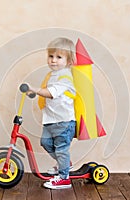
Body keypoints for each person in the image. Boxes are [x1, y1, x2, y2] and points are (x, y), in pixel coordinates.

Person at [27, 37, 76, 189]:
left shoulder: (65, 76)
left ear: (68, 61)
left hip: (63, 121)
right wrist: (33, 92)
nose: (53, 60)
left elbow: (52, 93)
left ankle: (64, 178)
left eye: (59, 57)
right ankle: (65, 163)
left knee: (61, 148)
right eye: (51, 56)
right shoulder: (51, 75)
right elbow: (46, 91)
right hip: (51, 120)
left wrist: (35, 89)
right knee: (46, 142)